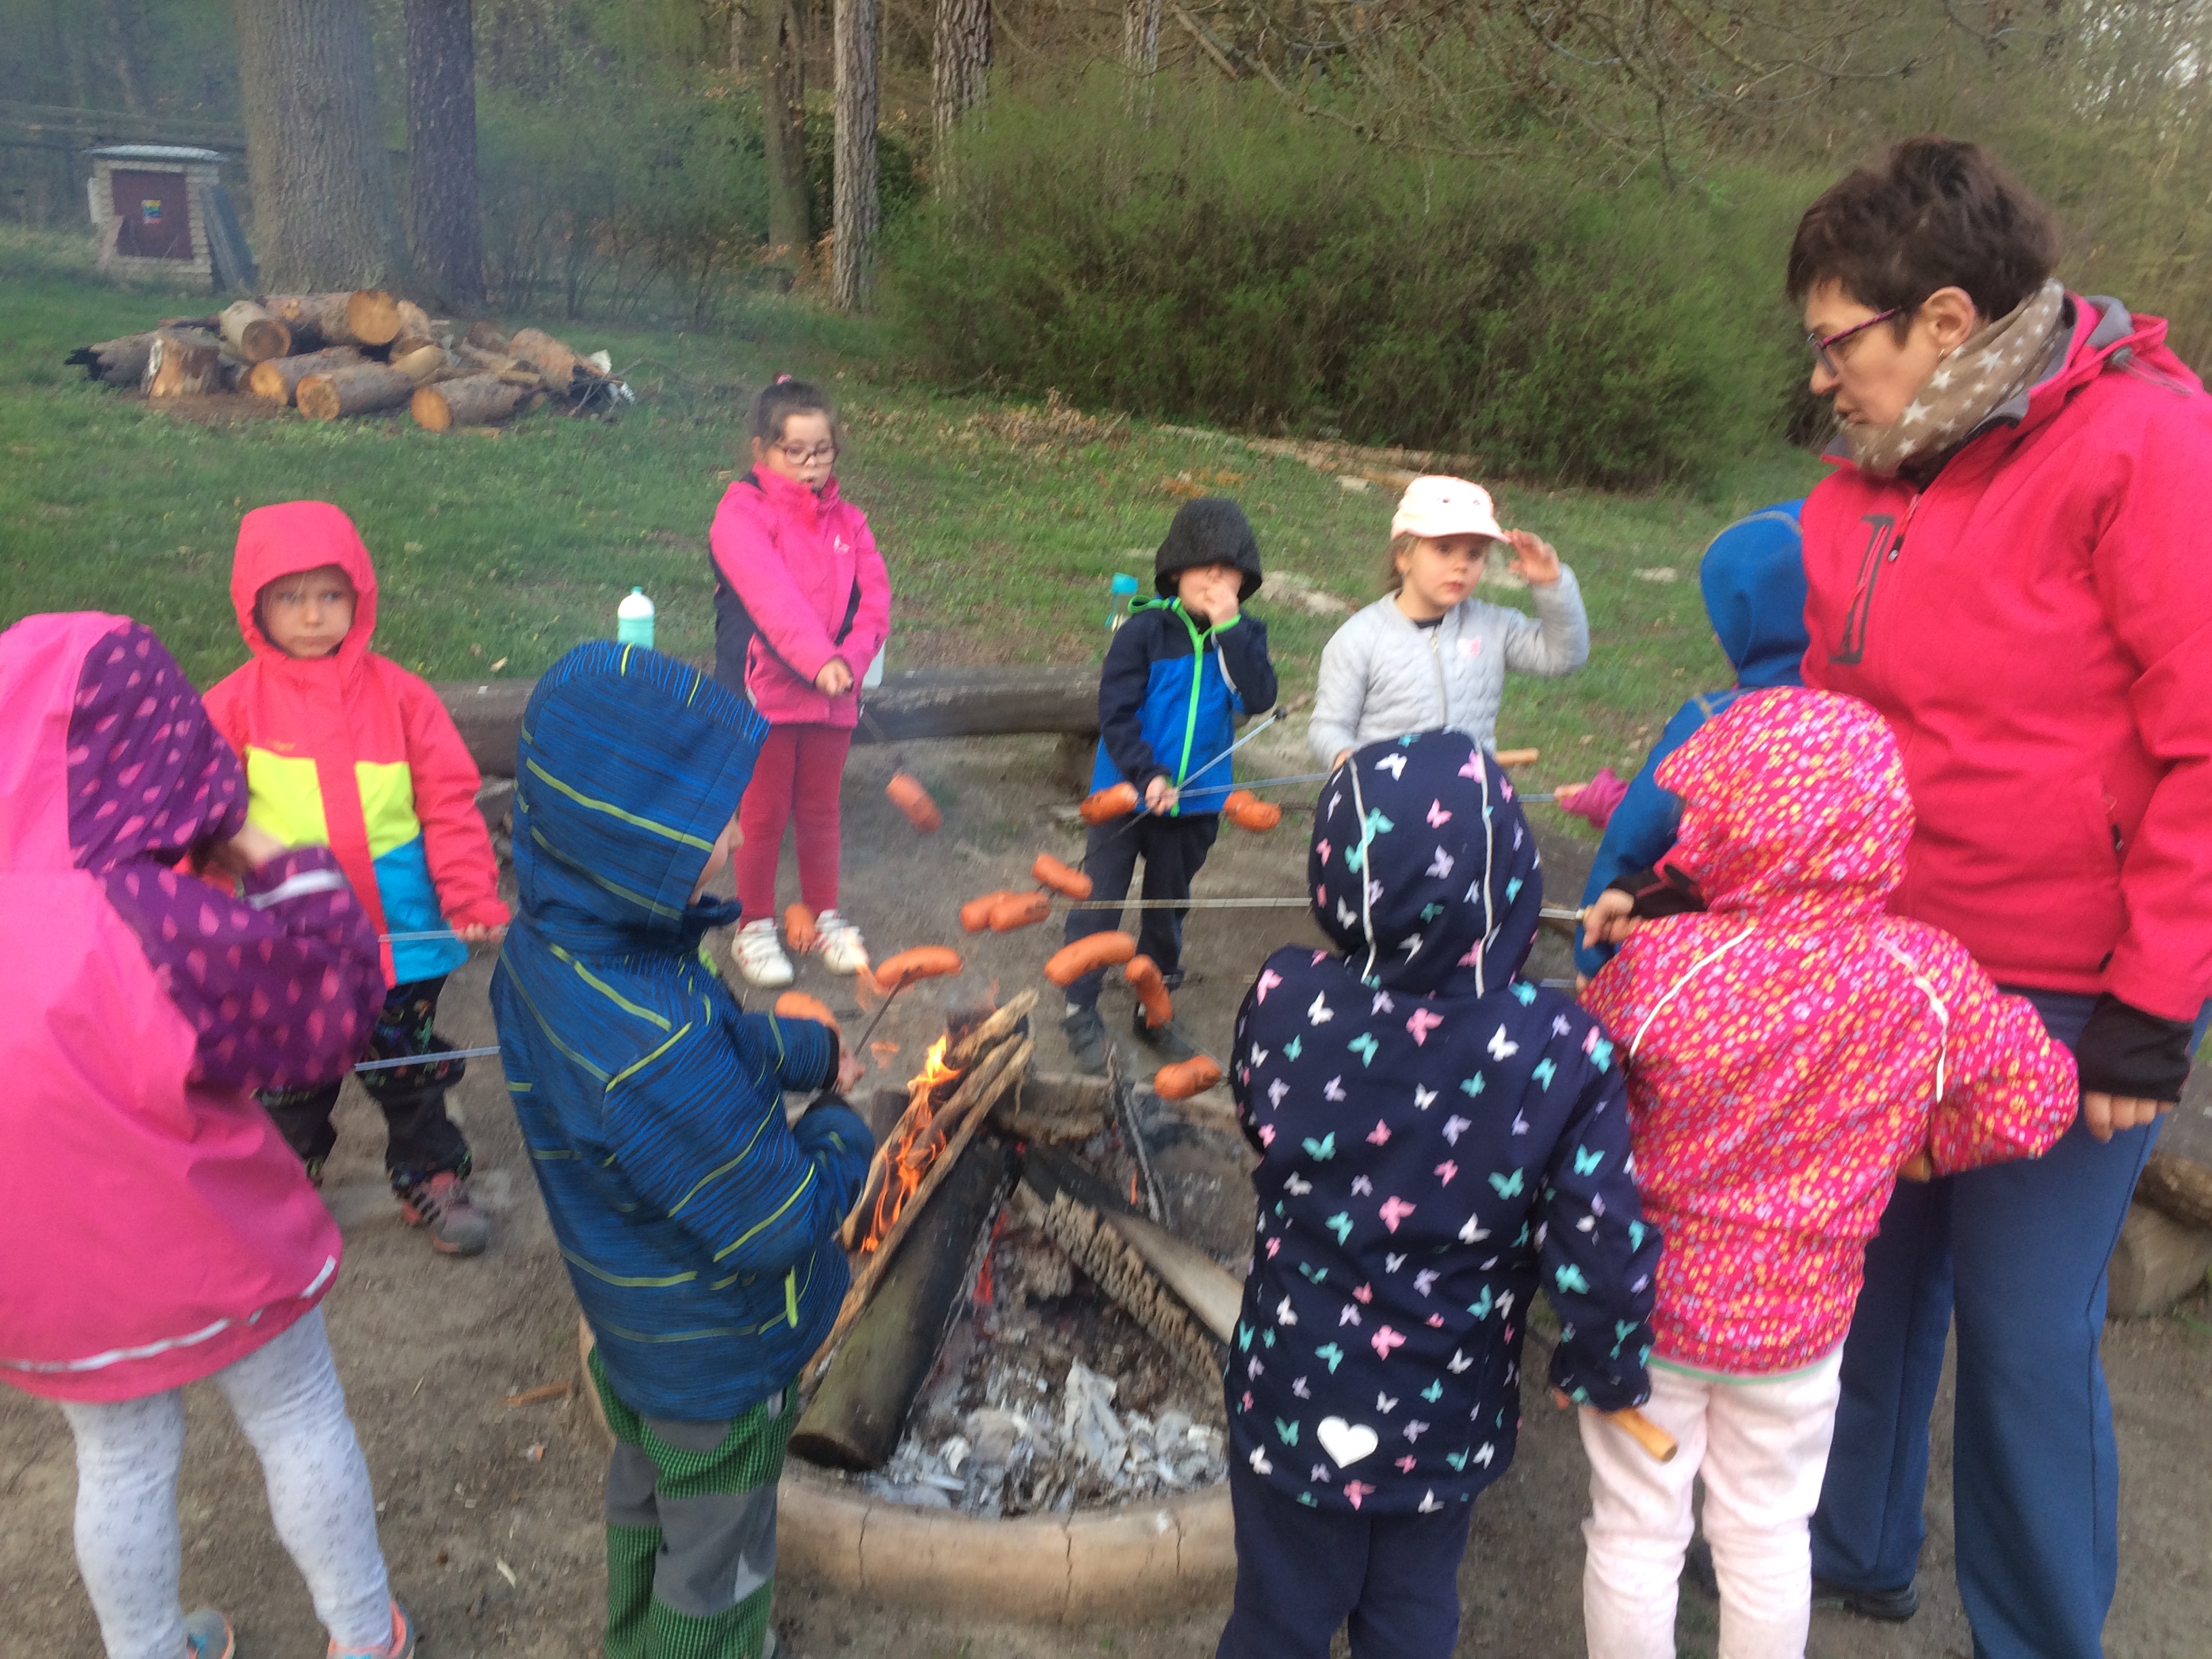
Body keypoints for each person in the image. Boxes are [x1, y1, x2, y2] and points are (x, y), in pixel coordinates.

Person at [1780, 136, 2212, 1655]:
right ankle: (1850, 1542)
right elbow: (1821, 729)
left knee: (2025, 1329)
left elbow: (2203, 743)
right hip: (1885, 960)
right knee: (1865, 1269)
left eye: (1839, 341)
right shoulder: (1868, 479)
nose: (1820, 375)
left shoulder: (2144, 446)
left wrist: (2151, 1005)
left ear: (1945, 321)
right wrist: (1714, 874)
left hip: (2063, 988)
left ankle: (2035, 1632)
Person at [1576, 688, 2078, 1659]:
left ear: (1733, 829)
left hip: (1653, 1308)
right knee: (1769, 1533)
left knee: (1636, 1530)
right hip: (1800, 1327)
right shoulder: (1924, 975)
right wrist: (1926, 1146)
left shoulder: (1664, 967)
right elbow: (2041, 1092)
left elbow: (1579, 1094)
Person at [0, 613, 414, 1659]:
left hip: (47, 1274)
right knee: (298, 1412)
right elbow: (327, 1009)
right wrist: (260, 848)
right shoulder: (151, 917)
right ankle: (365, 1635)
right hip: (209, 1237)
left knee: (119, 1461)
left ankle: (145, 1649)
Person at [1218, 731, 1658, 1659]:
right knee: (1412, 1616)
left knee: (1276, 1618)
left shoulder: (1286, 999)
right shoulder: (1560, 1050)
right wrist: (1604, 1364)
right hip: (1443, 1410)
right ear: (1512, 877)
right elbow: (1600, 1239)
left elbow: (1259, 1118)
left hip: (1291, 1386)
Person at [491, 640, 873, 1659]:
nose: (740, 832)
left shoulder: (559, 951)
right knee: (718, 1563)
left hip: (637, 1328)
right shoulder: (653, 1051)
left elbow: (715, 1039)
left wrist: (808, 1053)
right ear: (632, 840)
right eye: (710, 823)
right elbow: (778, 1219)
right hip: (721, 1358)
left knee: (647, 1499)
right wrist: (843, 1130)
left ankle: (635, 1639)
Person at [202, 501, 509, 1258]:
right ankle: (277, 1190)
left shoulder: (402, 696)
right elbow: (204, 822)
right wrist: (204, 917)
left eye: (330, 595)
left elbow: (448, 802)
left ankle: (432, 1175)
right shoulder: (231, 708)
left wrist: (469, 893)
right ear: (255, 606)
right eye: (290, 597)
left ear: (360, 596)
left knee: (408, 1068)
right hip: (288, 948)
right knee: (289, 1080)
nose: (313, 615)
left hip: (399, 935)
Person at [1059, 496, 1277, 1074]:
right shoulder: (1144, 632)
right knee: (1099, 898)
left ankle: (1152, 1009)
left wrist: (1231, 630)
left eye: (1229, 570)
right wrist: (1147, 773)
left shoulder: (1245, 636)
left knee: (1167, 907)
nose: (1216, 579)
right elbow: (1116, 714)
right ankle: (1079, 1005)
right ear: (1175, 570)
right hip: (1125, 795)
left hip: (1196, 804)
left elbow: (1260, 697)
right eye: (1204, 566)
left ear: (1245, 581)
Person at [1568, 501, 1805, 981]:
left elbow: (1637, 838)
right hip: (1810, 978)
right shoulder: (1869, 725)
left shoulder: (1712, 724)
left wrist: (1594, 962)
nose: (1716, 636)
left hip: (1688, 973)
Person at [710, 375, 892, 989]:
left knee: (820, 809)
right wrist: (818, 661)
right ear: (763, 450)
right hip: (764, 691)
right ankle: (753, 925)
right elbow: (771, 599)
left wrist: (850, 662)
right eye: (797, 452)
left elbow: (874, 603)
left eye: (823, 451)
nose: (812, 465)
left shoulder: (850, 522)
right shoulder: (741, 514)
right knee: (762, 814)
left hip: (834, 692)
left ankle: (825, 915)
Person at [1308, 475, 1586, 770]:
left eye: (1474, 554)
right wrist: (1347, 760)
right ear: (1403, 557)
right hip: (1386, 795)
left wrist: (1552, 586)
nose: (1461, 565)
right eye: (1444, 549)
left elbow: (1563, 657)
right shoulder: (1359, 639)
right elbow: (1329, 726)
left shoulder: (1494, 627)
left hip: (1471, 792)